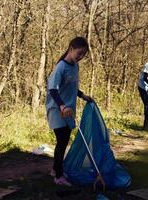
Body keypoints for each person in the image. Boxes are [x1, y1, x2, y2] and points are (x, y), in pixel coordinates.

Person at [45, 37, 93, 186]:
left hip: (68, 110)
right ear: (71, 48)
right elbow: (53, 89)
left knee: (64, 141)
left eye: (83, 55)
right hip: (57, 109)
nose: (80, 57)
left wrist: (82, 95)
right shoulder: (61, 67)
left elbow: (71, 86)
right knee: (62, 141)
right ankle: (58, 177)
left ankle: (55, 169)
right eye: (79, 53)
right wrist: (61, 106)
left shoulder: (75, 66)